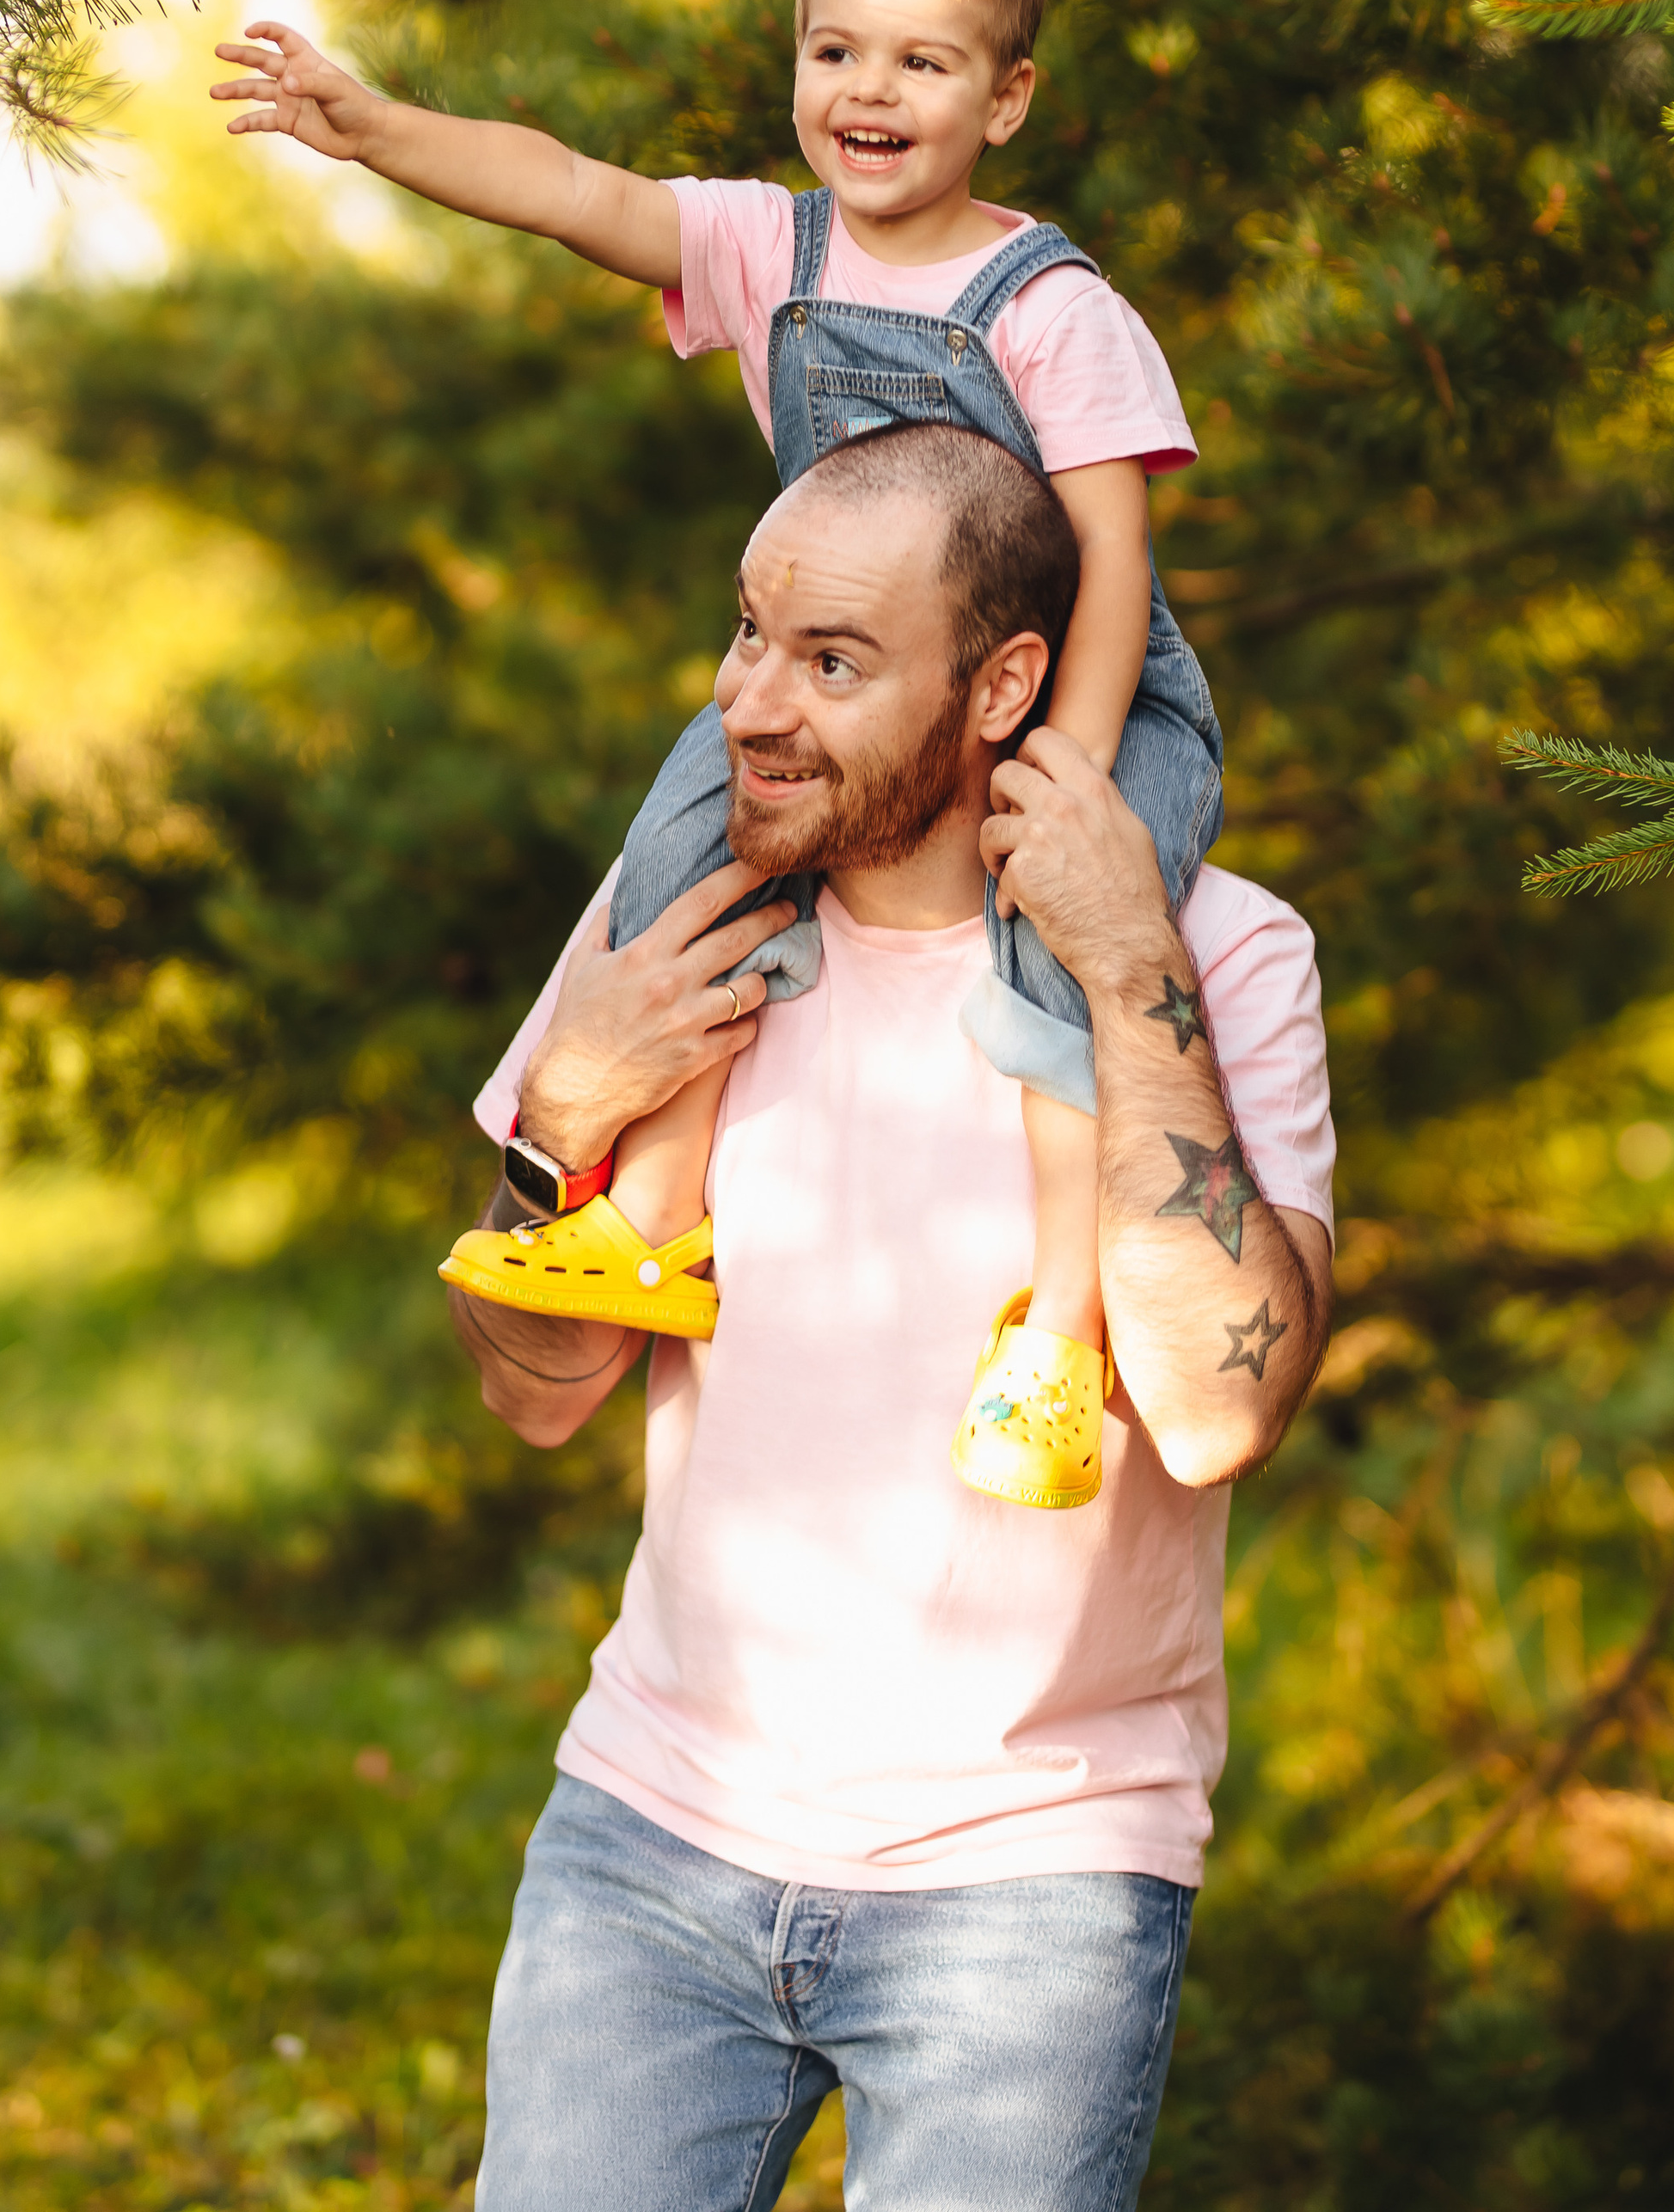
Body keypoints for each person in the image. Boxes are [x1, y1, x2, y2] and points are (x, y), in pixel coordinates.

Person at [211, 0, 1221, 1508]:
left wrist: (1074, 776)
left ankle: (1060, 1324)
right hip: (836, 675)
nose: (869, 92)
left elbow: (1111, 559)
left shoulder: (1055, 310)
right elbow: (565, 187)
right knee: (687, 870)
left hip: (1079, 686)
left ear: (1008, 98)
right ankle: (650, 1218)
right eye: (836, 52)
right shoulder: (771, 245)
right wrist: (375, 128)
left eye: (922, 62)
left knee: (1063, 941)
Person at [445, 423, 1334, 2212]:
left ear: (1001, 687)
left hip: (1031, 1880)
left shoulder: (1220, 951)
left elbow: (1217, 1409)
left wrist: (1125, 965)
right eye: (747, 635)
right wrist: (558, 1124)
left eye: (832, 663)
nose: (749, 706)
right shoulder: (672, 924)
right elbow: (536, 1391)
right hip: (649, 1840)